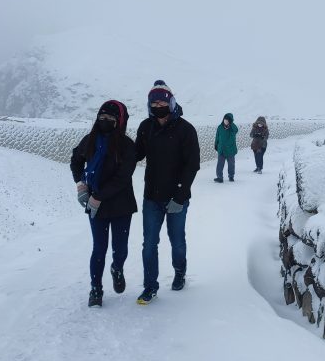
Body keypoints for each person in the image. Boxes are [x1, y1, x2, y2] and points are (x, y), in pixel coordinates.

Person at [134, 83, 200, 305]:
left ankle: (180, 272)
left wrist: (180, 196)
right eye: (154, 103)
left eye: (162, 102)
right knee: (149, 243)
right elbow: (135, 154)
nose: (158, 106)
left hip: (176, 198)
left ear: (171, 102)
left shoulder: (186, 129)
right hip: (152, 197)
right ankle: (150, 286)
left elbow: (192, 165)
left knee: (177, 240)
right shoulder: (145, 127)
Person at [69, 100, 137, 308]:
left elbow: (123, 177)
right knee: (99, 248)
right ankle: (95, 289)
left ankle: (117, 268)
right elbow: (76, 160)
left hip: (120, 204)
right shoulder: (89, 140)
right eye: (102, 117)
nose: (105, 121)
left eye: (111, 118)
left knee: (120, 248)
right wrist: (81, 185)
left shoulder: (127, 146)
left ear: (120, 121)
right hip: (94, 201)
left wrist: (98, 197)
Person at [214, 113, 238, 182]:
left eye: (227, 120)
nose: (225, 121)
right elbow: (217, 136)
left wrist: (231, 124)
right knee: (220, 164)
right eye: (225, 119)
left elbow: (236, 130)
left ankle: (231, 176)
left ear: (230, 121)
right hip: (221, 149)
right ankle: (219, 177)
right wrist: (216, 145)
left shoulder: (232, 128)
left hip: (230, 149)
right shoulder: (220, 127)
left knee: (231, 164)